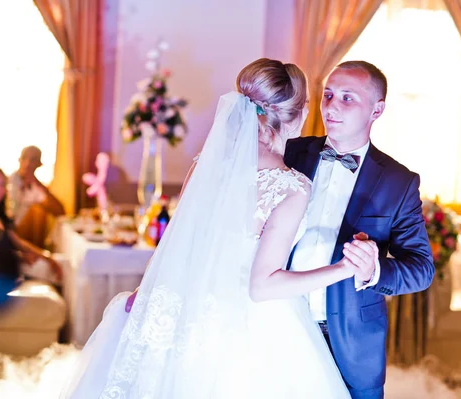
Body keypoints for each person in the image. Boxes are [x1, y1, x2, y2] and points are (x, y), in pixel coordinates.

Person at [60, 59, 362, 399]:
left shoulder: (205, 165)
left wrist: (147, 290)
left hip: (184, 310)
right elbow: (262, 286)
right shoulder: (291, 187)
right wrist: (342, 268)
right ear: (301, 112)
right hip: (250, 331)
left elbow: (176, 240)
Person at [283, 60, 434, 399]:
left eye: (348, 98)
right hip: (277, 325)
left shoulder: (398, 182)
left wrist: (374, 269)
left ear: (376, 110)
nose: (332, 106)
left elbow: (422, 268)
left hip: (350, 343)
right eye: (328, 95)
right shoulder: (290, 152)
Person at [0, 168, 62, 308]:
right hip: (0, 275)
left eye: (1, 184)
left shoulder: (0, 213)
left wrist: (47, 257)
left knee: (59, 264)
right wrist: (20, 256)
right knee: (50, 269)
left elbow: (15, 241)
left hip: (8, 268)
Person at [6, 146, 65, 239]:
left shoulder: (36, 189)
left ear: (39, 164)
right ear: (19, 159)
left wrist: (38, 183)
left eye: (33, 160)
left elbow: (59, 211)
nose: (27, 163)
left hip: (14, 236)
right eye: (24, 158)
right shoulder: (5, 181)